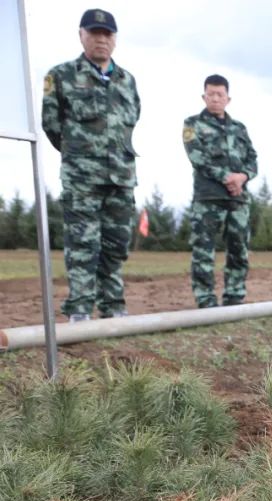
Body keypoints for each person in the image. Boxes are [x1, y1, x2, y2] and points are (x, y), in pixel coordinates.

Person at [42, 8, 140, 322]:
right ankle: (80, 310)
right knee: (83, 245)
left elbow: (131, 121)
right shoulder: (60, 75)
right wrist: (80, 154)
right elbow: (51, 124)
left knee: (116, 246)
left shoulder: (127, 80)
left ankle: (113, 306)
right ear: (81, 35)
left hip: (121, 178)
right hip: (82, 178)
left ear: (115, 39)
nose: (101, 39)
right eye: (94, 33)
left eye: (107, 34)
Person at [182, 74, 258, 308]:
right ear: (204, 96)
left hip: (238, 199)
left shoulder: (239, 128)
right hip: (208, 198)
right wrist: (227, 177)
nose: (215, 98)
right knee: (203, 251)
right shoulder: (191, 124)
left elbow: (252, 159)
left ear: (228, 98)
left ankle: (235, 296)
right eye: (211, 94)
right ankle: (205, 299)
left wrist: (243, 177)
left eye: (220, 95)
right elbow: (197, 157)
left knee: (239, 249)